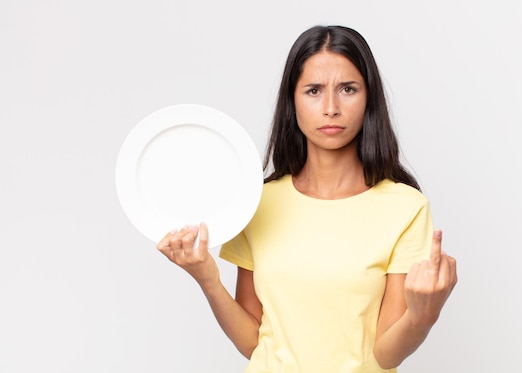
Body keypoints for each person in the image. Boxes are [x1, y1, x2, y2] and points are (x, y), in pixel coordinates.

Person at [157, 25, 457, 372]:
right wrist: (207, 278)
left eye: (348, 89)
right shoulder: (257, 202)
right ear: (292, 100)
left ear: (369, 98)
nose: (331, 108)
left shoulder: (405, 208)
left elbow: (385, 354)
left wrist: (424, 315)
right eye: (313, 90)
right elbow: (252, 342)